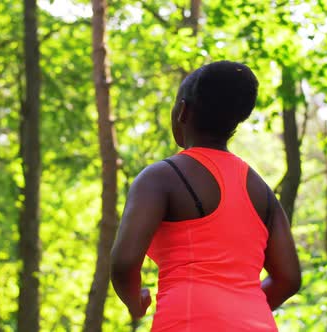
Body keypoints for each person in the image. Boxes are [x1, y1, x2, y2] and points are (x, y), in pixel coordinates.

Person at [110, 61, 301, 331]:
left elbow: (125, 263)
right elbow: (289, 279)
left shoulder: (160, 178)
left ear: (182, 111)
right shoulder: (262, 191)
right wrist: (238, 308)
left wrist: (134, 301)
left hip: (188, 321)